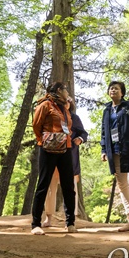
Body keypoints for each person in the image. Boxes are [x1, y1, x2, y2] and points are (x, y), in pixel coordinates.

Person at [101, 80, 129, 235]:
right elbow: (104, 130)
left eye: (116, 88)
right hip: (114, 151)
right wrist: (103, 149)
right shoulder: (107, 110)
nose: (113, 90)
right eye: (111, 88)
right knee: (122, 185)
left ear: (122, 92)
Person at [31, 82, 76, 235]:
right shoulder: (45, 105)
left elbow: (68, 127)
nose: (67, 92)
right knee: (43, 184)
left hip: (66, 148)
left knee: (68, 185)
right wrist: (43, 141)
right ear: (59, 90)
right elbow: (36, 124)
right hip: (48, 149)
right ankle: (35, 224)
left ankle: (70, 223)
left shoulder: (65, 107)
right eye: (65, 90)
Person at [42, 96, 88, 227]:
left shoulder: (75, 118)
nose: (66, 103)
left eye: (68, 101)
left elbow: (84, 133)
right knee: (50, 188)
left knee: (70, 188)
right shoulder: (52, 115)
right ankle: (48, 218)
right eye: (63, 101)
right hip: (52, 155)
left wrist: (80, 138)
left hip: (69, 156)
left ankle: (71, 220)